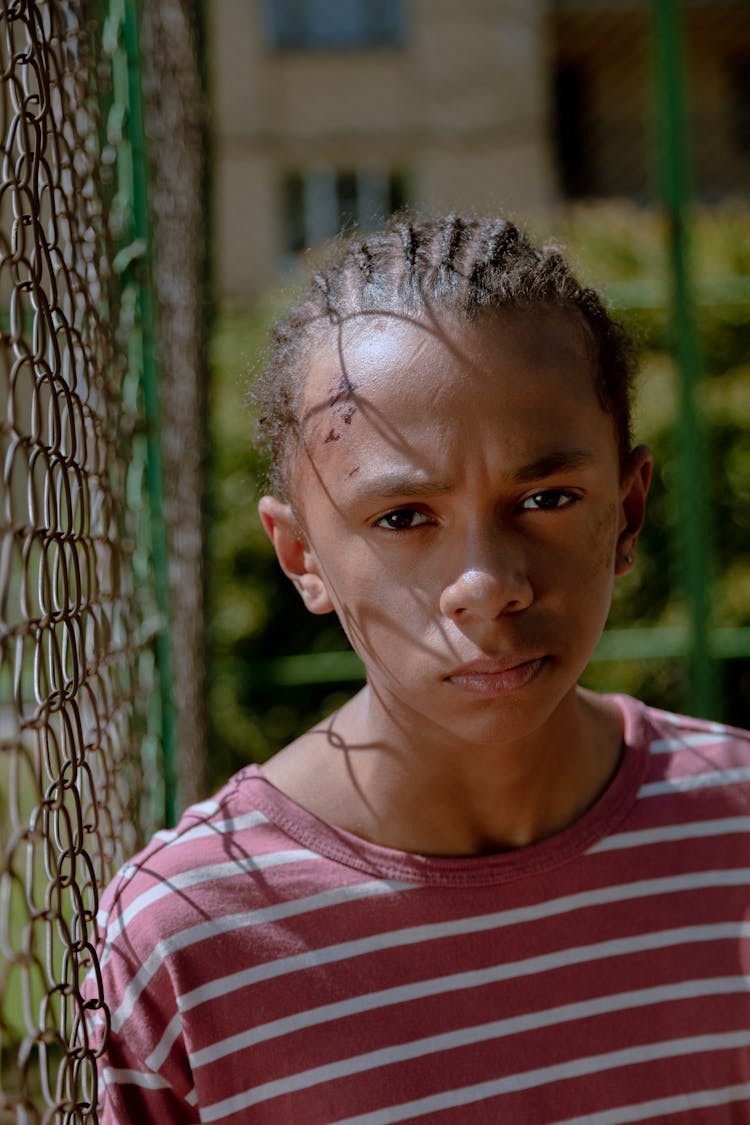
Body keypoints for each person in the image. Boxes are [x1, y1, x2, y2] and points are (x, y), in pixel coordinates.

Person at [88, 214, 750, 1123]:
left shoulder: (735, 827)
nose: (486, 585)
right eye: (402, 517)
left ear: (628, 513)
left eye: (548, 498)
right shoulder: (186, 939)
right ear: (301, 556)